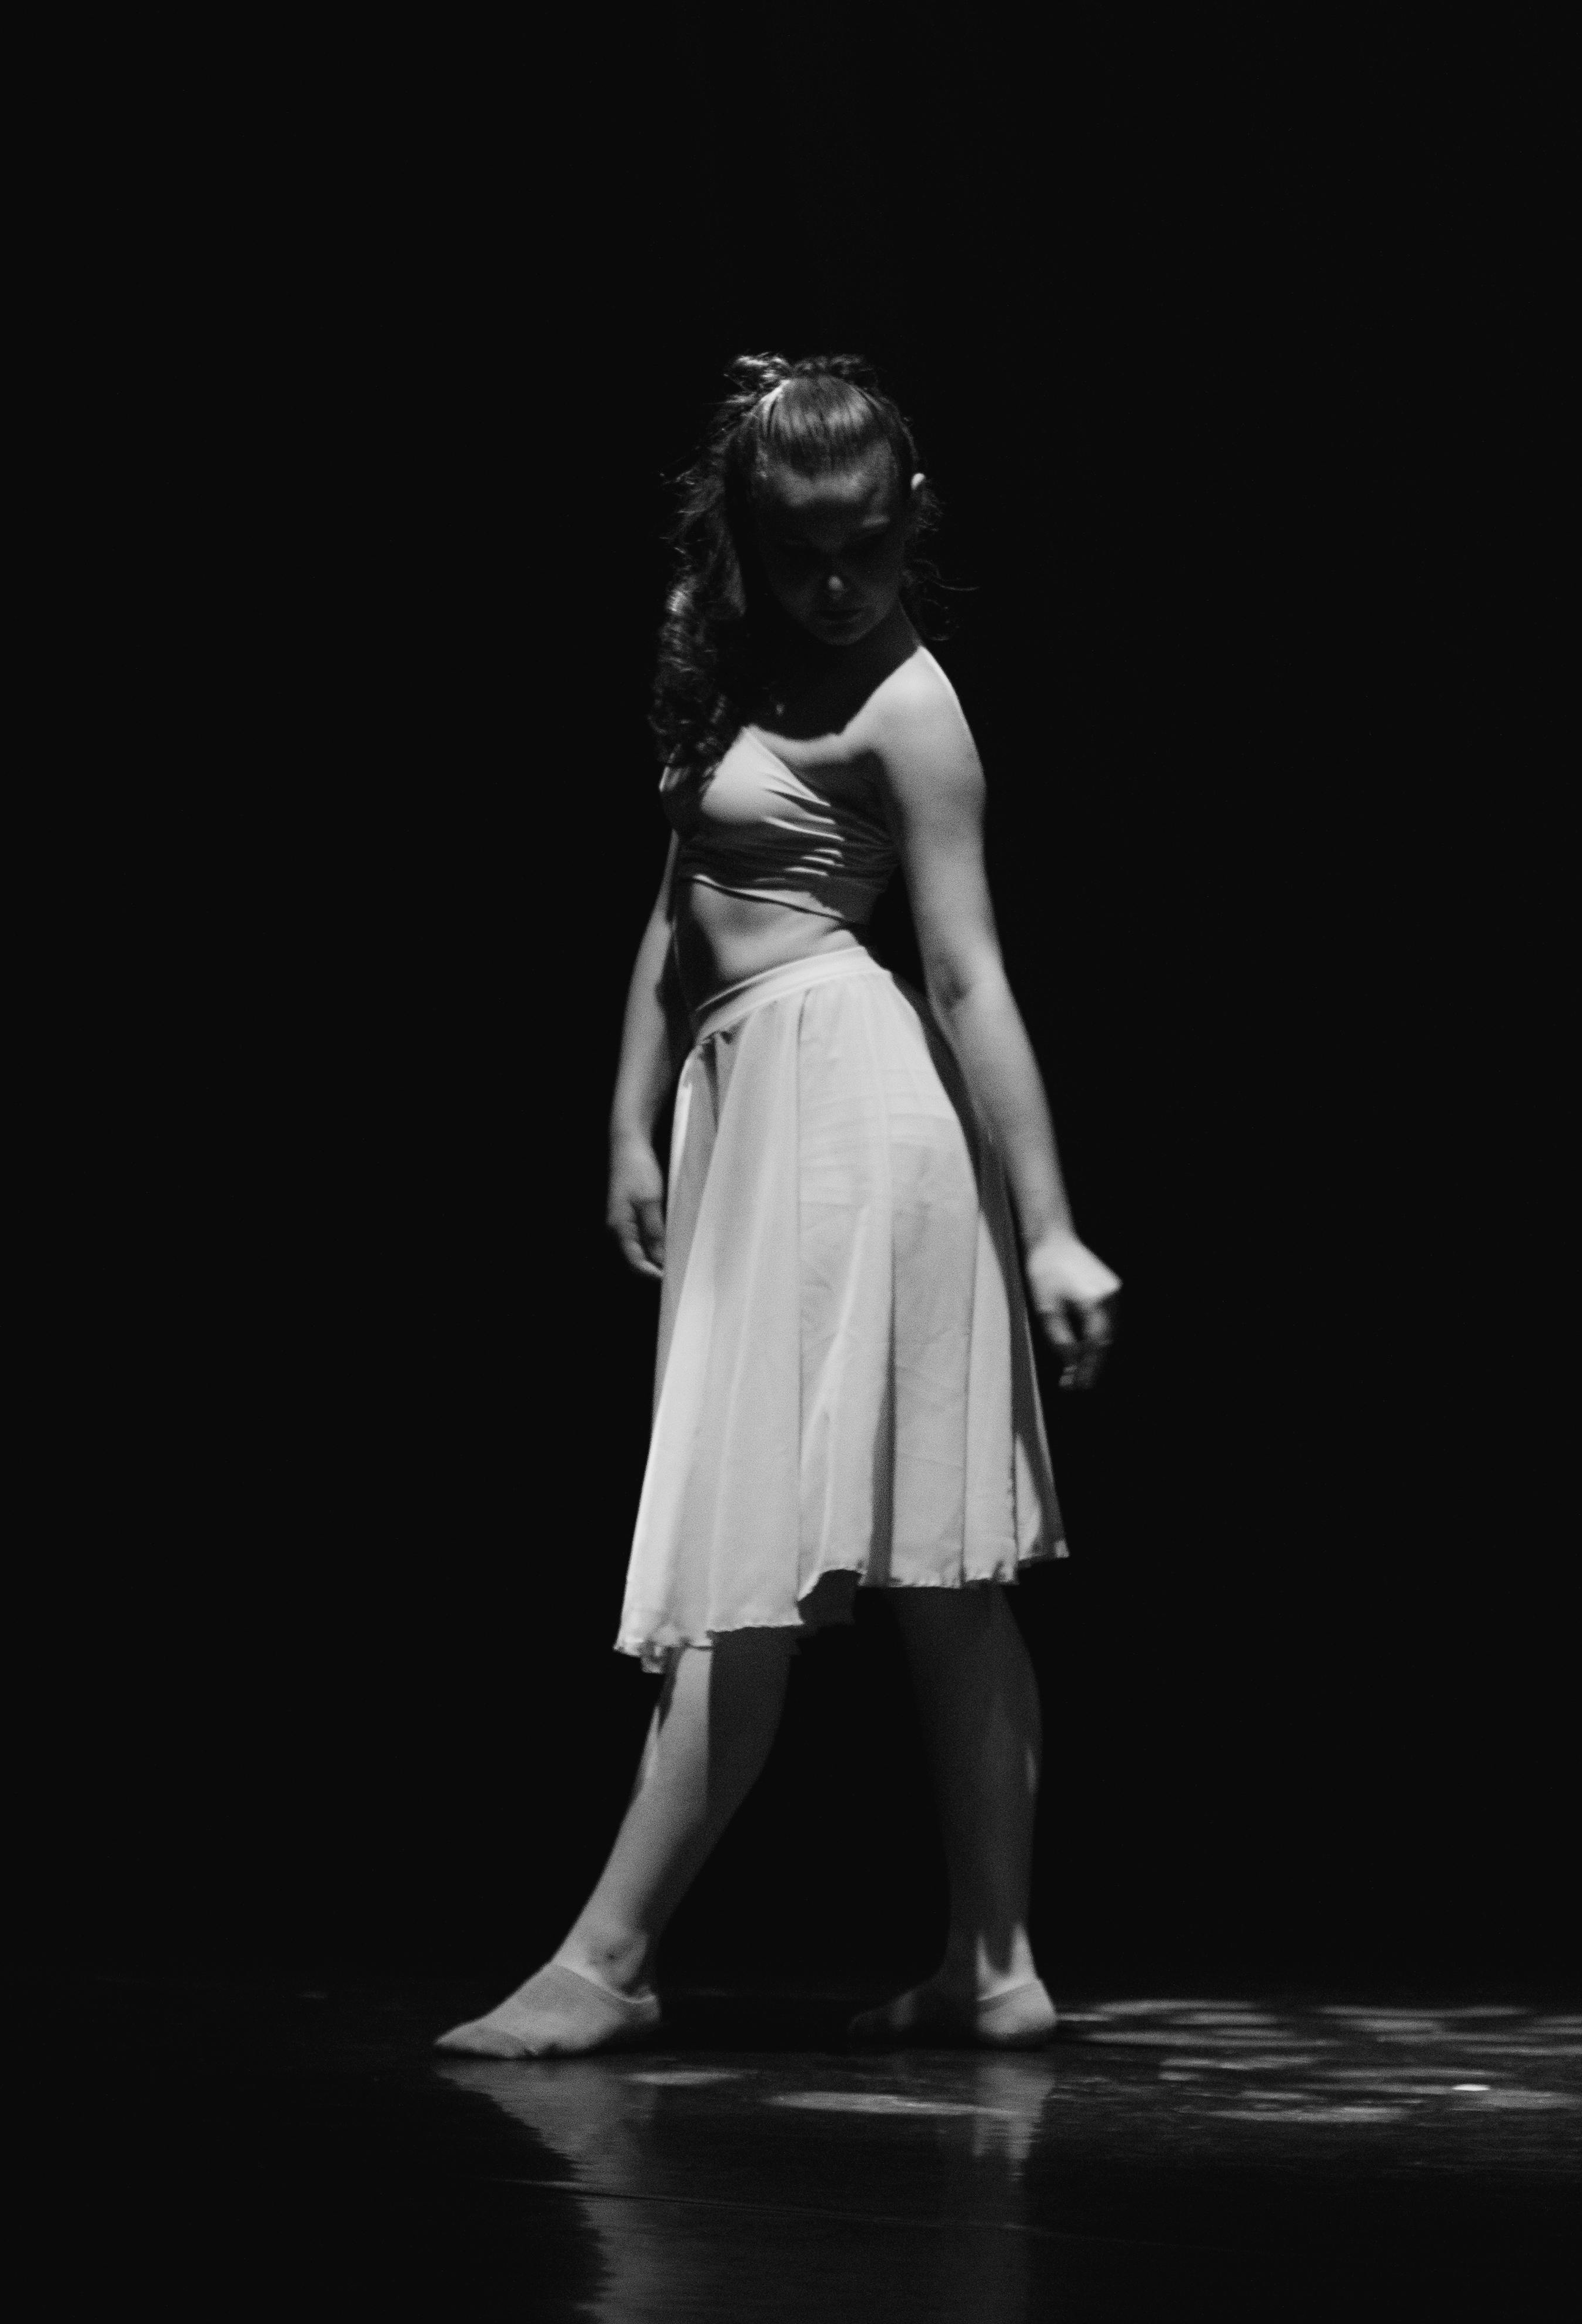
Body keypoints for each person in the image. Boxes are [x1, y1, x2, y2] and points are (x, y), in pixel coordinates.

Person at [438, 355, 1120, 2061]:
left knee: (822, 1556)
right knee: (922, 1573)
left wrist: (1048, 1222)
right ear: (744, 536)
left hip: (849, 1118)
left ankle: (609, 1959)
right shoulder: (727, 646)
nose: (835, 585)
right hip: (748, 1100)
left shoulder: (913, 709)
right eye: (800, 551)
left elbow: (967, 976)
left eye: (866, 548)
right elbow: (680, 893)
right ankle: (990, 1969)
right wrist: (627, 1116)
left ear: (912, 524)